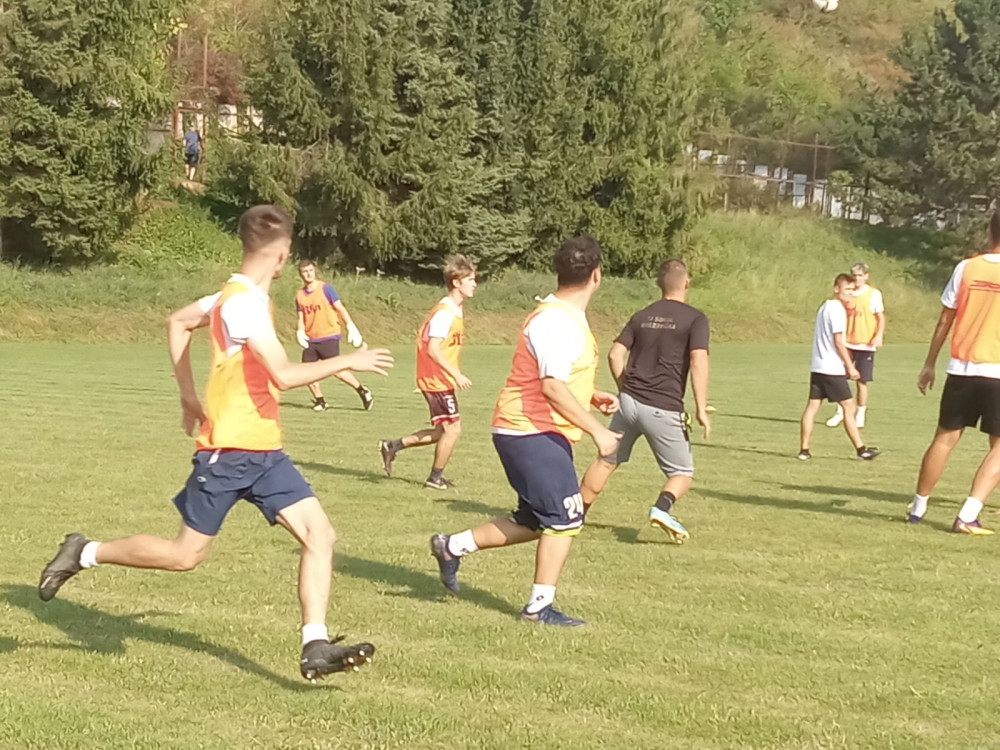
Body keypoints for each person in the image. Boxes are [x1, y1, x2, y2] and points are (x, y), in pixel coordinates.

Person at [38, 205, 394, 681]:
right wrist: (350, 360)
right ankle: (84, 551)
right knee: (184, 555)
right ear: (283, 254)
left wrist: (188, 394)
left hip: (264, 451)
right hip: (229, 452)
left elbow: (178, 321)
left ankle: (315, 645)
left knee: (320, 535)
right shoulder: (242, 304)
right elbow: (284, 375)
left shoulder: (233, 296)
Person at [428, 235, 620, 626]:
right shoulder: (556, 320)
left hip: (536, 429)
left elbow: (552, 377)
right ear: (597, 276)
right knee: (566, 519)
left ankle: (452, 546)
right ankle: (537, 608)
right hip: (528, 430)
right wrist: (599, 431)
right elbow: (551, 387)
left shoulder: (562, 316)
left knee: (534, 521)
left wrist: (590, 394)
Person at [578, 258, 710, 543]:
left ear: (658, 283)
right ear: (687, 283)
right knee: (682, 473)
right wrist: (701, 408)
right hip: (664, 406)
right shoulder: (695, 318)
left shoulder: (642, 315)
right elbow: (698, 360)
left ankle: (573, 516)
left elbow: (615, 354)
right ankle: (661, 509)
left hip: (628, 403)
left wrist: (625, 389)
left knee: (606, 460)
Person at [908, 213, 1000, 535]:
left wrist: (929, 363)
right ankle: (968, 515)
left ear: (990, 231)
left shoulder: (966, 268)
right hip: (997, 371)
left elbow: (945, 319)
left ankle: (917, 508)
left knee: (944, 439)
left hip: (961, 369)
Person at [379, 255, 477, 489]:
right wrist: (456, 374)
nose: (475, 284)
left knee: (441, 431)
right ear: (456, 282)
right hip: (436, 380)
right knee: (453, 430)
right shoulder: (445, 313)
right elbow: (433, 349)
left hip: (439, 379)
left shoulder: (455, 309)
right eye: (470, 280)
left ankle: (393, 446)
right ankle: (435, 478)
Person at [798, 273, 880, 461]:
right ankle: (861, 449)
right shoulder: (837, 310)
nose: (851, 293)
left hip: (818, 366)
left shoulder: (824, 307)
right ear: (836, 289)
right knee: (849, 407)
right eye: (847, 289)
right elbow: (838, 342)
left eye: (853, 289)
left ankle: (804, 450)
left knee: (812, 407)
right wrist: (850, 367)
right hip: (832, 368)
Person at [295, 260, 373, 411]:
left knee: (336, 369)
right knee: (307, 372)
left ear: (314, 271)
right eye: (305, 271)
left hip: (329, 335)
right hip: (311, 338)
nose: (308, 274)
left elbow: (340, 308)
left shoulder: (325, 288)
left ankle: (362, 390)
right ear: (301, 274)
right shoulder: (299, 295)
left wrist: (350, 325)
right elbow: (300, 317)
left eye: (310, 270)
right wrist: (300, 331)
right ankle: (320, 401)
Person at [825, 262, 886, 429]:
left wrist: (879, 334)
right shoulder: (848, 294)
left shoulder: (873, 294)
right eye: (855, 276)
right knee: (841, 379)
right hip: (847, 343)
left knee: (862, 381)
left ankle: (860, 414)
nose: (857, 279)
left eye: (860, 275)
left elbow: (880, 317)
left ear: (866, 276)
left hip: (865, 343)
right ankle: (841, 412)